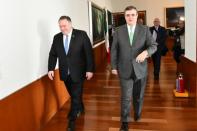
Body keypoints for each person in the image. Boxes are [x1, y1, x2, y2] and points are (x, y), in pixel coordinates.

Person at [111, 6, 157, 131]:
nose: (130, 17)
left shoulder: (145, 29)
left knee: (138, 96)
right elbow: (114, 50)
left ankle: (137, 112)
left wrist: (146, 53)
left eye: (132, 15)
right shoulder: (118, 31)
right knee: (126, 97)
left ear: (137, 16)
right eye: (127, 15)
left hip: (140, 71)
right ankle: (125, 122)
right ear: (124, 17)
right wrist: (113, 66)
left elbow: (153, 45)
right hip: (124, 69)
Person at [48, 16, 94, 131]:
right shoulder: (57, 38)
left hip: (78, 72)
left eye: (64, 25)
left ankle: (71, 121)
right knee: (74, 95)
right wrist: (50, 69)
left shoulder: (81, 35)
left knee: (75, 96)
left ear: (70, 24)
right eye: (60, 26)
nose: (62, 28)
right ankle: (81, 106)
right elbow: (53, 54)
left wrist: (90, 69)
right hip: (65, 73)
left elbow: (89, 53)